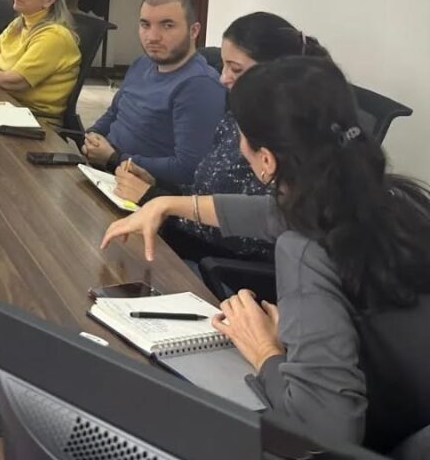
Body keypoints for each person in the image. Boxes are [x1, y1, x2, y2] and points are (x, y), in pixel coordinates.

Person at [101, 57, 430, 454]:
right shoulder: (396, 196)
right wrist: (169, 204)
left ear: (267, 159)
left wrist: (264, 350)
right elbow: (275, 214)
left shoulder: (305, 252)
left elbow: (328, 432)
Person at [112, 12, 329, 264]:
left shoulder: (286, 138)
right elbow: (206, 190)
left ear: (275, 72)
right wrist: (159, 187)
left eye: (235, 69)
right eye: (223, 65)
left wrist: (154, 198)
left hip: (218, 264)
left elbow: (251, 234)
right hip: (183, 237)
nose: (223, 77)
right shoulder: (236, 115)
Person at [81, 0, 226, 188]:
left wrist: (114, 158)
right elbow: (114, 112)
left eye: (167, 25)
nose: (152, 37)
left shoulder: (200, 86)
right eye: (145, 25)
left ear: (193, 31)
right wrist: (92, 135)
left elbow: (189, 169)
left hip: (138, 189)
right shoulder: (142, 63)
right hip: (101, 171)